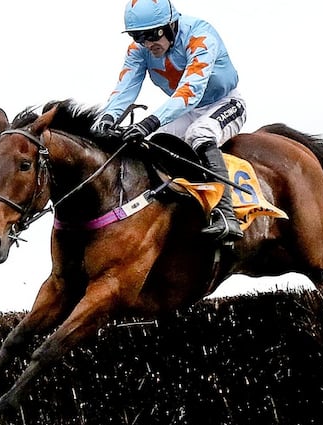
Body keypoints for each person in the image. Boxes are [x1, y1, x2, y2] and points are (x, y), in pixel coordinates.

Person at [92, 0, 246, 243]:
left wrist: (149, 121)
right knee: (154, 143)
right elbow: (125, 89)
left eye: (153, 34)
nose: (147, 43)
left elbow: (190, 91)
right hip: (184, 111)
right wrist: (104, 121)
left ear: (171, 24)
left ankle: (227, 215)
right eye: (138, 36)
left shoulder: (200, 35)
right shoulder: (139, 50)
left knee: (200, 132)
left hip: (224, 103)